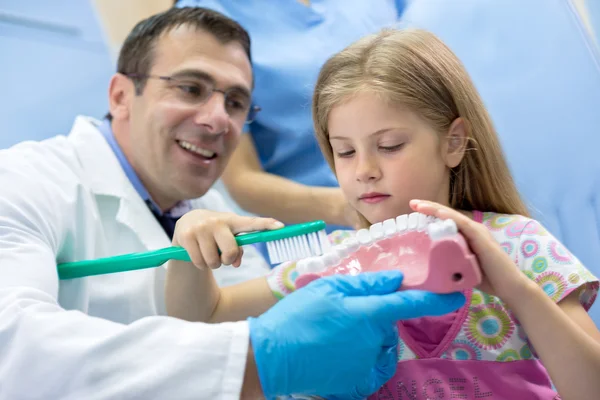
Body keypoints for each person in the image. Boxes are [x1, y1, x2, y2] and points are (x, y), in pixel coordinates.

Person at [0, 8, 467, 399]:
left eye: (237, 102)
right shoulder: (24, 182)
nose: (217, 119)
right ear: (122, 95)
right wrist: (259, 357)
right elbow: (11, 346)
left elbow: (245, 316)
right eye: (190, 88)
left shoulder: (218, 214)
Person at [165, 29, 600, 398]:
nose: (365, 171)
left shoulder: (519, 243)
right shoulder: (335, 265)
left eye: (390, 146)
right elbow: (204, 315)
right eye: (345, 152)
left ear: (452, 142)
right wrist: (188, 241)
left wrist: (516, 290)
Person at [173, 0, 407, 255]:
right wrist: (352, 206)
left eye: (390, 145)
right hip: (316, 243)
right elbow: (242, 179)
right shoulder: (211, 10)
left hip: (414, 208)